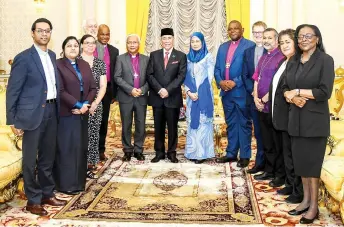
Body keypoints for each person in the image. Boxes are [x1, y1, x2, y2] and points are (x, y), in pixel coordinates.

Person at [6, 18, 66, 216]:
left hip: (51, 111)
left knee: (48, 158)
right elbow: (13, 91)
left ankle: (47, 193)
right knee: (30, 160)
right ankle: (33, 200)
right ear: (33, 33)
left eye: (47, 31)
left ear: (50, 34)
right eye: (40, 31)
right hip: (30, 116)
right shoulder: (23, 58)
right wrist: (12, 119)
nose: (44, 34)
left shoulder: (52, 56)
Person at [283, 24, 334, 224]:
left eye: (308, 36)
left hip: (314, 122)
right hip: (295, 119)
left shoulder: (325, 60)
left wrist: (297, 92)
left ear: (317, 39)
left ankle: (314, 206)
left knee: (312, 166)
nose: (303, 39)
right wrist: (291, 96)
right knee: (302, 164)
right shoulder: (293, 61)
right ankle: (305, 200)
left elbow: (324, 92)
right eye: (300, 36)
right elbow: (286, 87)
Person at [55, 36, 97, 195]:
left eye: (75, 45)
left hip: (82, 114)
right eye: (69, 46)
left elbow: (93, 88)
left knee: (80, 148)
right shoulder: (58, 65)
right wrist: (77, 105)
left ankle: (79, 183)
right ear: (63, 49)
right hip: (67, 113)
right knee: (67, 149)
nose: (73, 48)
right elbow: (60, 91)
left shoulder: (84, 64)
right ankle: (65, 185)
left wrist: (85, 105)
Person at [269, 29, 303, 204]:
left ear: (296, 43)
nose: (284, 46)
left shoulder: (298, 62)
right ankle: (290, 184)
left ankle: (298, 191)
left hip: (292, 117)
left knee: (293, 155)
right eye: (281, 43)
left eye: (287, 42)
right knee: (287, 154)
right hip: (281, 116)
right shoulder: (285, 61)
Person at [214, 20, 255, 168]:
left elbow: (250, 70)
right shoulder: (222, 47)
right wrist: (220, 82)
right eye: (230, 29)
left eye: (236, 28)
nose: (233, 31)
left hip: (241, 91)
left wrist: (235, 82)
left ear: (242, 29)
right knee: (231, 124)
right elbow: (217, 68)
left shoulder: (250, 46)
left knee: (244, 124)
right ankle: (231, 153)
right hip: (226, 93)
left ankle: (244, 155)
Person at [146, 28, 187, 163]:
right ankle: (159, 152)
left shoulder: (180, 56)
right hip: (157, 97)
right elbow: (149, 75)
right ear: (161, 40)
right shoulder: (154, 55)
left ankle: (172, 152)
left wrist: (167, 90)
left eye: (169, 38)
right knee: (158, 126)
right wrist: (159, 90)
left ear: (173, 39)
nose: (167, 41)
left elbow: (181, 76)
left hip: (172, 97)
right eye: (164, 38)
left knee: (172, 127)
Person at [252, 28, 285, 185]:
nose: (266, 40)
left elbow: (277, 83)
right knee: (266, 141)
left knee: (276, 142)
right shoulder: (263, 57)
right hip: (260, 106)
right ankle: (268, 170)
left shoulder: (282, 57)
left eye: (269, 38)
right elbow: (256, 78)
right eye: (264, 38)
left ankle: (278, 174)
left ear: (276, 40)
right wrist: (256, 97)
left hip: (274, 107)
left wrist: (264, 99)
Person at [114, 34, 149, 162]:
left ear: (139, 44)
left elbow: (150, 78)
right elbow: (117, 77)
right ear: (126, 44)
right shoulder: (120, 59)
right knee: (126, 125)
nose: (132, 45)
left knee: (140, 125)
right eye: (129, 42)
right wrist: (130, 90)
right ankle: (127, 150)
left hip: (141, 97)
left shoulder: (146, 59)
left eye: (134, 42)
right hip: (126, 97)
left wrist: (142, 90)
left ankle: (138, 150)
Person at [184, 32, 215, 164]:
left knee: (203, 123)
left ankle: (202, 154)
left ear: (202, 42)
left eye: (197, 41)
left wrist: (199, 94)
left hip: (204, 95)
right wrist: (189, 92)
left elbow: (209, 78)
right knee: (192, 123)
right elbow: (184, 77)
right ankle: (192, 152)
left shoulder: (208, 57)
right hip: (191, 96)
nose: (195, 44)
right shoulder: (187, 58)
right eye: (193, 41)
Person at [80, 34, 107, 178]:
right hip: (78, 106)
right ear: (82, 45)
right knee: (80, 135)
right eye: (87, 43)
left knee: (93, 134)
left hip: (96, 105)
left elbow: (103, 86)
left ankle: (90, 164)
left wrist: (96, 103)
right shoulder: (76, 61)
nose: (90, 45)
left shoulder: (99, 63)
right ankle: (79, 164)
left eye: (93, 43)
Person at [242, 21, 267, 173]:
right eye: (255, 32)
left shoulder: (273, 51)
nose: (258, 35)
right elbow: (245, 75)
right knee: (257, 132)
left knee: (268, 133)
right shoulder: (248, 51)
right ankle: (259, 162)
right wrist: (253, 92)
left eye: (260, 32)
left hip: (268, 100)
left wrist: (262, 96)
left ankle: (269, 165)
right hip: (253, 98)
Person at [95, 24, 119, 161]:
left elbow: (115, 73)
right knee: (92, 120)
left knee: (104, 120)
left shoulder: (114, 51)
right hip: (92, 89)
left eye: (107, 34)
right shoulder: (91, 48)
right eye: (102, 34)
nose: (105, 37)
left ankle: (101, 150)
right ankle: (89, 149)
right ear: (97, 34)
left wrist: (114, 94)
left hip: (108, 89)